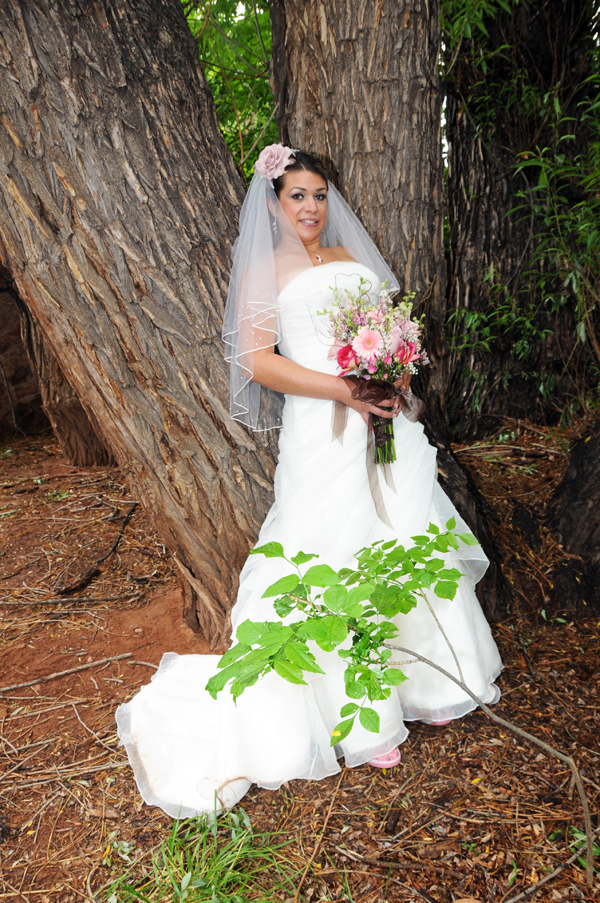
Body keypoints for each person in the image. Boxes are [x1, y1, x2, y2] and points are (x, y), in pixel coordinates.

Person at [116, 146, 503, 818]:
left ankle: (426, 684)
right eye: (297, 195)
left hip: (381, 422)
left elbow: (394, 337)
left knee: (402, 536)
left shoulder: (354, 262)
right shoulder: (265, 270)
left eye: (320, 195)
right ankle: (360, 716)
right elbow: (260, 361)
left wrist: (392, 381)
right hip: (320, 428)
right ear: (274, 202)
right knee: (331, 544)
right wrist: (343, 388)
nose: (311, 207)